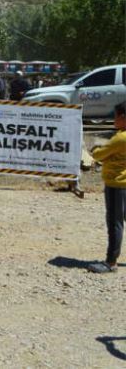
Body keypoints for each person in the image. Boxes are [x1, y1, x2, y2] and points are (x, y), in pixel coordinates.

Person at [87, 103, 126, 274]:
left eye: (116, 116)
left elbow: (98, 154)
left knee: (114, 222)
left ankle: (111, 262)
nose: (114, 120)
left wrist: (95, 149)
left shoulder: (120, 138)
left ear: (123, 117)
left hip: (117, 184)